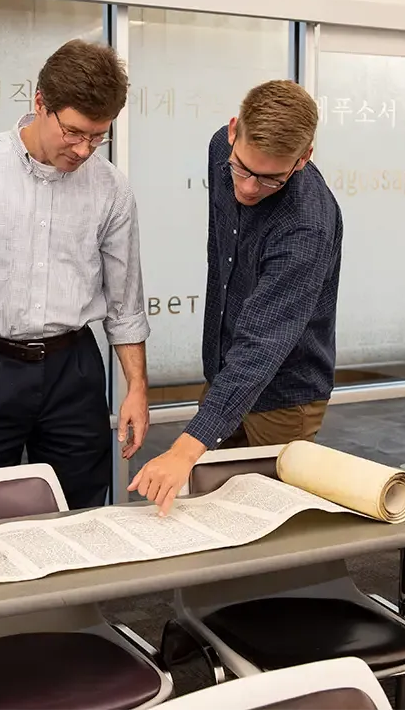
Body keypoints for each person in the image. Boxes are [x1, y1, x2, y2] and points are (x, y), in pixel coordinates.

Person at [0, 39, 150, 509]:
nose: (84, 149)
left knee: (81, 513)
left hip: (74, 370)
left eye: (98, 136)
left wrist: (137, 388)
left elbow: (125, 305)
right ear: (39, 102)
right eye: (74, 132)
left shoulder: (111, 189)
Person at [130, 79, 343, 515]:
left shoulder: (306, 225)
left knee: (271, 519)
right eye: (243, 169)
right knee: (208, 509)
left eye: (270, 179)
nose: (247, 189)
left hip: (287, 395)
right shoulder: (218, 151)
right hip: (227, 370)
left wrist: (183, 449)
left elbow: (263, 345)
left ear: (303, 159)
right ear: (232, 131)